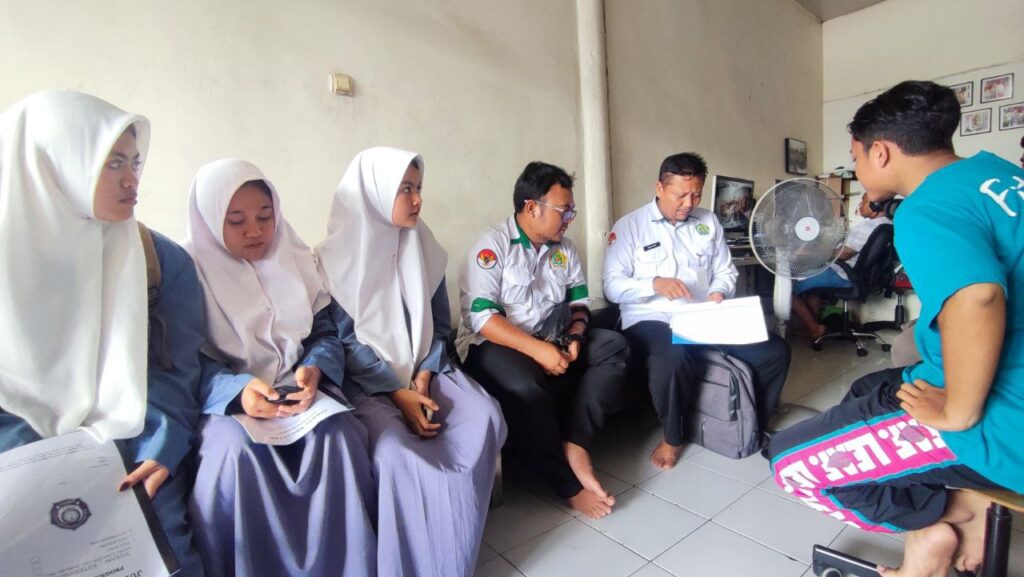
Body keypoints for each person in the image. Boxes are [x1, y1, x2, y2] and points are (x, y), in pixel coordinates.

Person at [767, 80, 1024, 577]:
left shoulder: (929, 206)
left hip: (1007, 418)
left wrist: (958, 410)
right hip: (1005, 379)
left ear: (880, 152)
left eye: (855, 158)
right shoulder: (997, 174)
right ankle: (928, 531)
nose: (857, 169)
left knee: (789, 464)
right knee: (865, 389)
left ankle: (957, 512)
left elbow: (979, 296)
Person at [0, 91, 206, 575]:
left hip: (130, 450)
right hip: (16, 460)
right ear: (53, 163)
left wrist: (161, 447)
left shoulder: (158, 260)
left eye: (135, 162)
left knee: (160, 542)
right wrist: (35, 460)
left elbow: (177, 369)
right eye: (113, 163)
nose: (132, 180)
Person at [315, 147, 506, 577]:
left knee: (484, 416)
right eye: (405, 189)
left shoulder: (424, 245)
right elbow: (344, 343)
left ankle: (457, 535)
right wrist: (397, 392)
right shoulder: (331, 261)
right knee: (397, 453)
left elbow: (439, 326)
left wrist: (423, 375)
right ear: (375, 193)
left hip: (428, 368)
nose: (418, 200)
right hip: (368, 385)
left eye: (419, 188)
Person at [183, 159, 376, 577]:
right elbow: (185, 360)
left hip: (299, 387)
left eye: (265, 216)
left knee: (339, 436)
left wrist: (314, 369)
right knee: (235, 456)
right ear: (210, 220)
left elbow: (324, 332)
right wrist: (238, 391)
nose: (255, 231)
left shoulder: (296, 258)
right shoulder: (188, 272)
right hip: (229, 402)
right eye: (236, 221)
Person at [458, 161, 629, 519]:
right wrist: (539, 351)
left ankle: (577, 442)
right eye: (563, 211)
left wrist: (575, 338)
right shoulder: (492, 246)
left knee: (613, 345)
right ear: (532, 207)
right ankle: (566, 486)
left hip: (551, 336)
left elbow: (579, 303)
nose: (569, 219)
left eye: (572, 211)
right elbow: (483, 319)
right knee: (527, 386)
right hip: (494, 344)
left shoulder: (565, 249)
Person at [603, 152, 791, 470]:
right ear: (660, 188)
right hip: (651, 317)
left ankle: (751, 420)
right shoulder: (630, 227)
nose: (689, 203)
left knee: (774, 350)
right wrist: (654, 284)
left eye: (696, 194)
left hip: (701, 316)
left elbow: (725, 271)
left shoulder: (708, 221)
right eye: (681, 195)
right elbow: (612, 286)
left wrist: (720, 291)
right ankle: (673, 436)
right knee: (672, 356)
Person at [790, 193, 892, 340]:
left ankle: (815, 328)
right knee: (813, 291)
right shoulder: (887, 225)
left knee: (787, 288)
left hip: (843, 274)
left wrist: (816, 252)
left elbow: (844, 254)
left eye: (863, 201)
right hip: (859, 275)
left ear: (875, 206)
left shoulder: (868, 227)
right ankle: (813, 328)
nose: (860, 205)